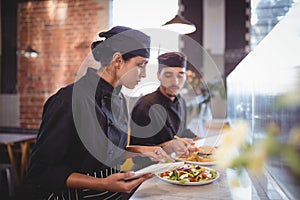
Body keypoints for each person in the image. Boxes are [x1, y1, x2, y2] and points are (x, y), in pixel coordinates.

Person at [20, 26, 172, 200]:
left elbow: (105, 152)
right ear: (118, 61)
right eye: (140, 65)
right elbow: (42, 170)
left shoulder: (120, 99)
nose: (144, 74)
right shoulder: (69, 100)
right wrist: (103, 184)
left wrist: (141, 150)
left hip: (110, 191)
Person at [129, 52, 197, 169]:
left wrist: (198, 140)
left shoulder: (181, 102)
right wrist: (168, 146)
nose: (175, 82)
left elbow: (181, 132)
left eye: (180, 75)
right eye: (168, 75)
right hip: (148, 171)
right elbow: (137, 156)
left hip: (175, 166)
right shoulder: (144, 106)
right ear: (158, 75)